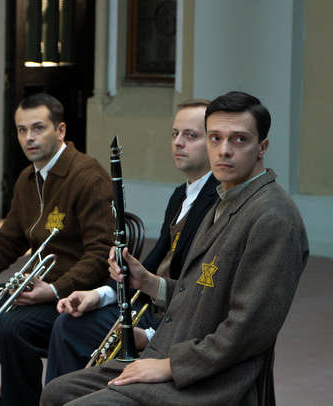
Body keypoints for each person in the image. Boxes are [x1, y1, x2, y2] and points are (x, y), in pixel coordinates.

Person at [41, 91, 309, 406]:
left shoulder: (273, 218)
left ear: (261, 147)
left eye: (239, 140)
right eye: (215, 138)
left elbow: (248, 330)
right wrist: (148, 281)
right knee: (56, 392)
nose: (223, 150)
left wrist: (167, 366)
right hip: (172, 354)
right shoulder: (225, 200)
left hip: (212, 381)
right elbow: (199, 291)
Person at [0, 93, 114, 406]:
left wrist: (54, 289)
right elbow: (5, 243)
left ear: (61, 130)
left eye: (38, 128)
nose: (29, 137)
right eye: (21, 130)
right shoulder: (28, 179)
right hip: (33, 288)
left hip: (73, 294)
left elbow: (100, 254)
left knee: (9, 328)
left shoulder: (87, 177)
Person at [45, 99, 219, 382]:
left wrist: (148, 335)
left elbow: (202, 294)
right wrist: (99, 295)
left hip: (175, 319)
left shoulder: (218, 201)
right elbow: (151, 264)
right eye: (175, 134)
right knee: (67, 325)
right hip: (150, 305)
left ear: (213, 142)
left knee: (72, 332)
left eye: (191, 135)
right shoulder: (181, 194)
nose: (178, 143)